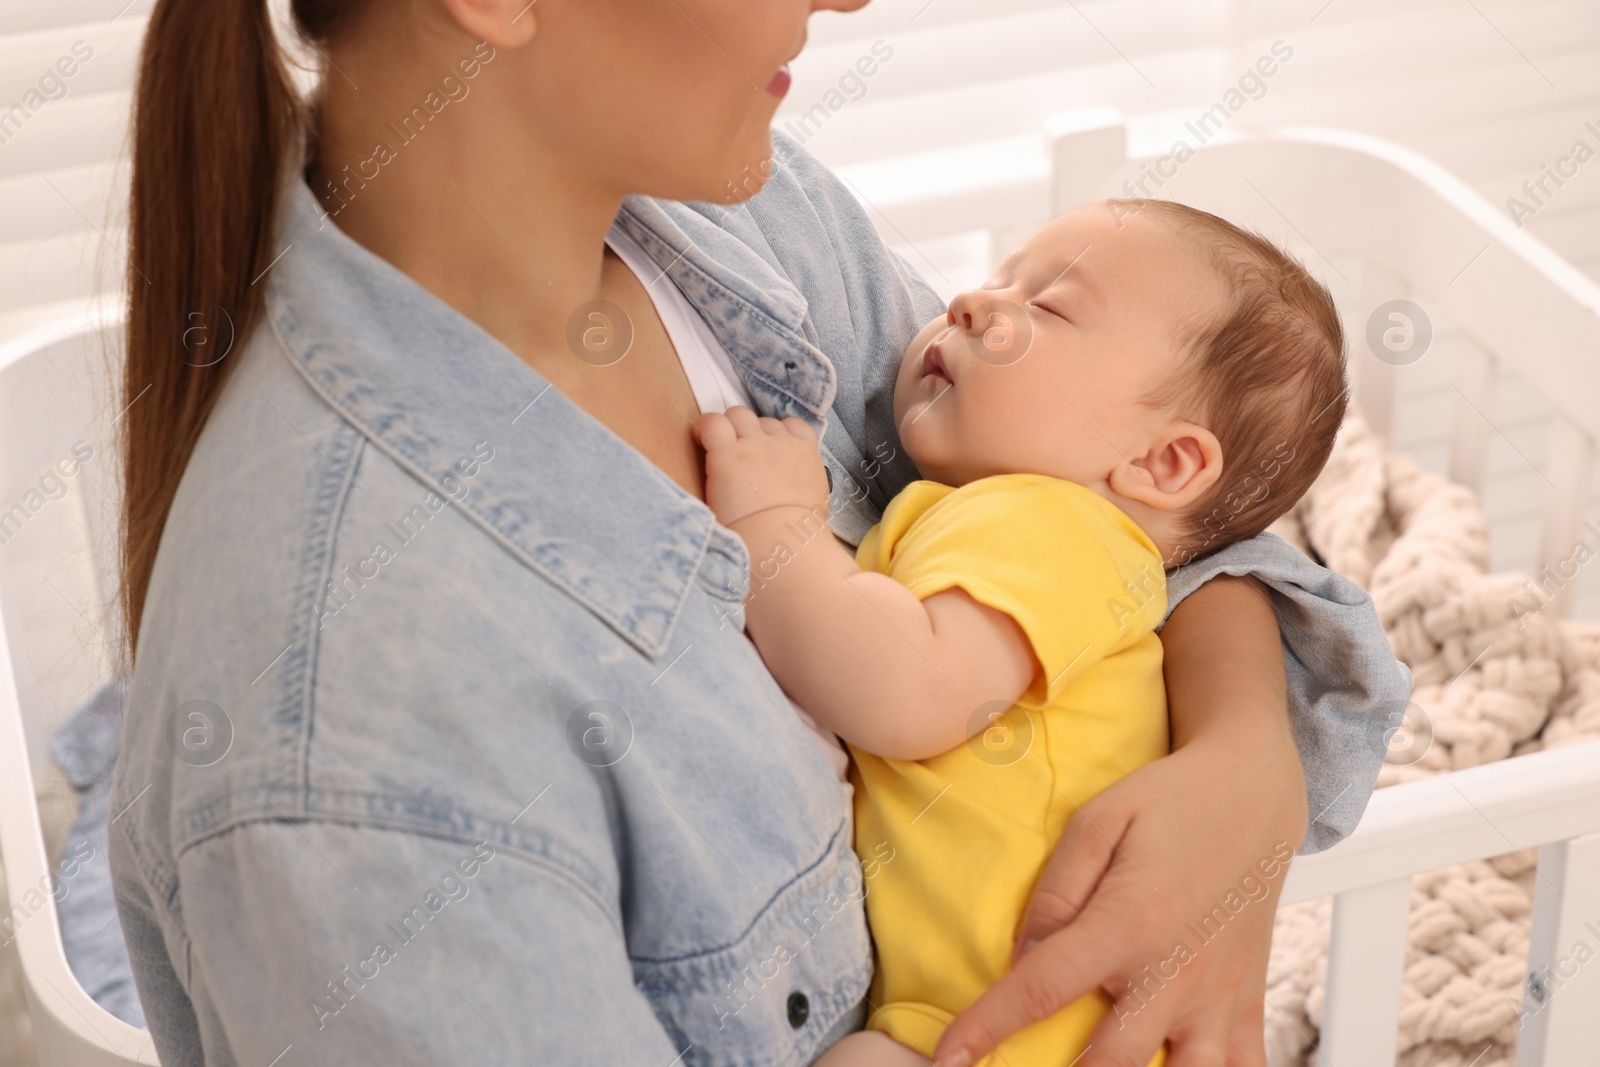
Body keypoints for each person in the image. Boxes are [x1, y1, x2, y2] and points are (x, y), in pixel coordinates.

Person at [107, 1, 1412, 1065]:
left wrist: (1245, 764)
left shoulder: (740, 217)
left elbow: (1148, 505)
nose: (849, 0)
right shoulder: (360, 759)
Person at [697, 199, 1353, 1066]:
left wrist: (775, 523)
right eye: (998, 276)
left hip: (1034, 1027)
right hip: (982, 1019)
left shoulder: (1055, 528)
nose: (970, 300)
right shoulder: (1018, 525)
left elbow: (906, 690)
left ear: (1164, 462)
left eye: (1047, 306)